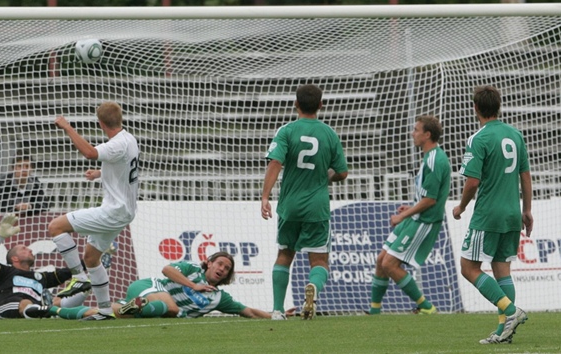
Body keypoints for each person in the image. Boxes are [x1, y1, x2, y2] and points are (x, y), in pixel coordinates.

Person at [452, 85, 532, 344]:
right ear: (499, 106)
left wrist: (461, 207)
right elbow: (526, 176)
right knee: (502, 270)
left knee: (468, 267)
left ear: (475, 108)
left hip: (489, 214)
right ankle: (503, 333)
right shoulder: (515, 135)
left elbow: (472, 182)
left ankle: (511, 312)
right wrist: (527, 210)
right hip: (512, 212)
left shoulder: (479, 138)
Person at [261, 84, 349, 320]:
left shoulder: (286, 131)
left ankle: (278, 310)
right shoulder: (329, 133)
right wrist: (326, 177)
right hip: (316, 206)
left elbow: (275, 163)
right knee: (319, 260)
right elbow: (342, 172)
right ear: (321, 105)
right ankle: (313, 290)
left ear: (296, 104)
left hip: (290, 205)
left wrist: (265, 197)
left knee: (284, 254)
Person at [48, 101, 140, 321]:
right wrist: (100, 173)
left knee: (56, 226)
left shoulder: (116, 144)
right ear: (120, 118)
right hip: (123, 210)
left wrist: (68, 127)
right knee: (91, 257)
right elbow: (122, 167)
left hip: (114, 211)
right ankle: (105, 310)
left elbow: (89, 152)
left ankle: (79, 277)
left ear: (100, 123)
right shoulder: (129, 139)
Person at [39, 252, 291, 320]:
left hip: (151, 305)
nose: (222, 269)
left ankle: (54, 310)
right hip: (147, 286)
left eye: (226, 269)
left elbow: (248, 311)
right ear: (209, 262)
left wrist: (275, 315)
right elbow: (166, 270)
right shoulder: (193, 270)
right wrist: (194, 285)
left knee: (105, 314)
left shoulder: (219, 298)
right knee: (172, 307)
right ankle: (139, 305)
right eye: (219, 263)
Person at [367, 115, 450, 315]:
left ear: (427, 134)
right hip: (416, 216)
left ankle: (427, 307)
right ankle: (374, 311)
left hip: (424, 221)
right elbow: (426, 196)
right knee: (381, 260)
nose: (412, 134)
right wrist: (411, 207)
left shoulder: (435, 160)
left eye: (416, 130)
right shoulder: (429, 157)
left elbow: (431, 200)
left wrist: (402, 216)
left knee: (389, 264)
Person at [0, 214, 90, 319]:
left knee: (81, 287)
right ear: (14, 258)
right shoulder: (5, 272)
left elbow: (65, 272)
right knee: (26, 303)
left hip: (35, 312)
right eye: (24, 249)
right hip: (7, 308)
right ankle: (54, 312)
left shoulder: (40, 277)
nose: (30, 250)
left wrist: (91, 262)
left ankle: (99, 312)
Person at [0, 151, 49, 216]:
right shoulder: (3, 184)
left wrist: (30, 206)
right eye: (20, 166)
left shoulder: (36, 184)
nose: (24, 170)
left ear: (31, 169)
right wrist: (16, 208)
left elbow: (45, 205)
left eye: (27, 166)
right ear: (13, 168)